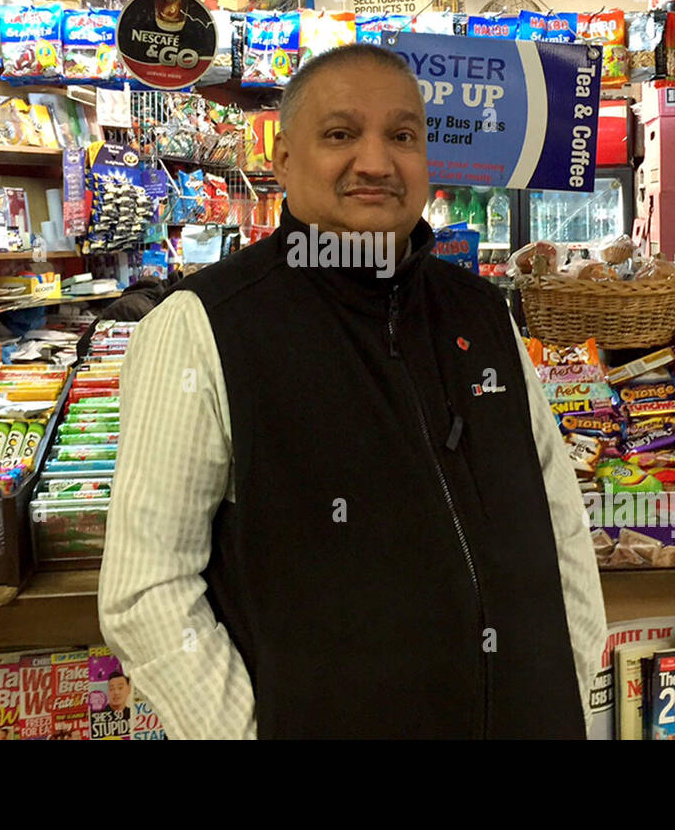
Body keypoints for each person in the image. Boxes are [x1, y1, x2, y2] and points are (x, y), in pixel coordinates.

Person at [98, 43, 606, 739]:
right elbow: (147, 590)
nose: (375, 161)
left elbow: (559, 521)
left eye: (402, 136)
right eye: (341, 135)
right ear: (281, 158)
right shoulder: (203, 326)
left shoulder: (481, 312)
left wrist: (563, 688)